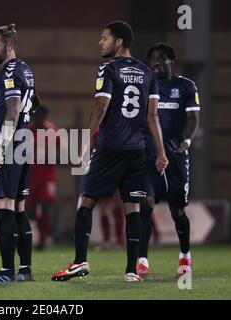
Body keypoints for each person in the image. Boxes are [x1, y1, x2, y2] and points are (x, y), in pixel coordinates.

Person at [51, 21, 168, 282]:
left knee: (86, 200)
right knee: (133, 207)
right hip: (138, 150)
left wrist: (83, 142)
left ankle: (80, 262)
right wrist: (161, 152)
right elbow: (153, 116)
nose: (100, 42)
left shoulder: (108, 68)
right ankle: (131, 271)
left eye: (104, 38)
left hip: (110, 147)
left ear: (119, 42)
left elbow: (101, 107)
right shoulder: (147, 72)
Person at [136, 43, 200, 277]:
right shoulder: (145, 87)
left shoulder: (185, 87)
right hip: (149, 157)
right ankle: (142, 260)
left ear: (172, 61)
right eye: (153, 59)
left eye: (161, 59)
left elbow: (193, 118)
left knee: (178, 212)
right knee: (146, 206)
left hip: (175, 156)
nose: (156, 63)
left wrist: (188, 141)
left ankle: (185, 256)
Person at [0, 24, 37, 283]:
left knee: (4, 207)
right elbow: (34, 104)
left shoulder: (10, 72)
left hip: (10, 144)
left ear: (9, 46)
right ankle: (24, 270)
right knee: (19, 209)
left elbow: (13, 111)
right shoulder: (26, 69)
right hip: (24, 141)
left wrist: (0, 146)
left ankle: (6, 272)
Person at [26, 105, 59, 250]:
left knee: (46, 209)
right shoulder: (28, 131)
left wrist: (47, 156)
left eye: (41, 117)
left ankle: (44, 239)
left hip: (47, 177)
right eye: (36, 117)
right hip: (31, 176)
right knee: (31, 212)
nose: (39, 120)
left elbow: (59, 156)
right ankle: (39, 234)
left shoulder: (51, 131)